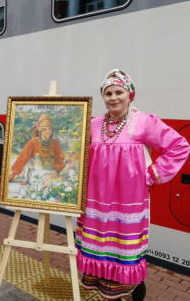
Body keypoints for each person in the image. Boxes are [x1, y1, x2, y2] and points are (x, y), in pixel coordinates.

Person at [76, 69, 190, 300]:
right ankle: (106, 291)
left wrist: (151, 175)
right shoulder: (94, 124)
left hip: (127, 200)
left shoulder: (144, 122)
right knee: (100, 246)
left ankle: (134, 289)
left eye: (119, 91)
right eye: (108, 93)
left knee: (122, 248)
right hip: (96, 199)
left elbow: (179, 146)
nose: (113, 97)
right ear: (103, 97)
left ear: (130, 95)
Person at [9, 113, 65, 182]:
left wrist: (56, 171)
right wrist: (13, 174)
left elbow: (59, 159)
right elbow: (22, 158)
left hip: (52, 173)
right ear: (40, 130)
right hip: (36, 173)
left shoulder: (56, 143)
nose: (48, 131)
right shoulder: (32, 142)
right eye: (45, 129)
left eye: (50, 129)